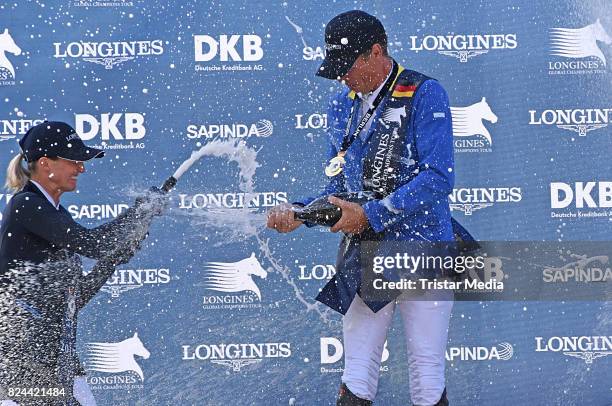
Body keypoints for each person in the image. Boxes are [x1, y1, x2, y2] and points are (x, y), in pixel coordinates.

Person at [267, 11, 455, 406]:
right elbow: (338, 187)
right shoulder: (342, 104)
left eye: (347, 66)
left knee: (426, 371)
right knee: (357, 371)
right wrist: (299, 213)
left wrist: (371, 214)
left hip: (423, 249)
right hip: (366, 253)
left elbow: (438, 177)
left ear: (376, 52)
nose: (342, 77)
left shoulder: (424, 92)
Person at [0, 121, 165, 405]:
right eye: (73, 160)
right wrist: (140, 211)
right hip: (22, 367)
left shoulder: (54, 212)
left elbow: (75, 297)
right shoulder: (27, 204)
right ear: (44, 163)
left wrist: (112, 259)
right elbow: (94, 245)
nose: (81, 168)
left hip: (57, 363)